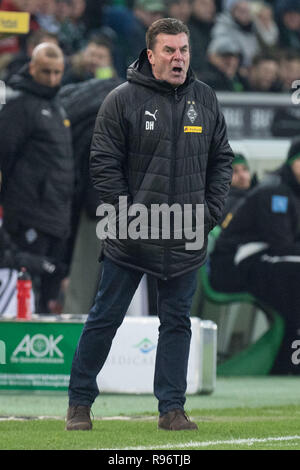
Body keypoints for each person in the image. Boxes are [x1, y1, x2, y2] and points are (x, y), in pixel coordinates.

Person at [66, 17, 233, 432]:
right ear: (151, 54)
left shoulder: (206, 99)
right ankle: (80, 404)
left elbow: (222, 160)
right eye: (170, 51)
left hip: (186, 232)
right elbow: (102, 165)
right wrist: (127, 216)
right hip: (132, 232)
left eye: (184, 50)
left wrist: (209, 213)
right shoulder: (121, 99)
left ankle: (172, 410)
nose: (179, 58)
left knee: (176, 323)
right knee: (105, 317)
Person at [209, 138, 300, 374]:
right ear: (292, 163)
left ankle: (287, 360)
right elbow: (281, 245)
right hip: (234, 266)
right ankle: (289, 362)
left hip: (261, 261)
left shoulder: (290, 191)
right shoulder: (275, 191)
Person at [0, 42, 74, 314]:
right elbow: (4, 156)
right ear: (32, 68)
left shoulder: (58, 106)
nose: (52, 78)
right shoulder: (19, 104)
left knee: (47, 298)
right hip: (28, 215)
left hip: (55, 217)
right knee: (25, 292)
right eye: (46, 72)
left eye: (57, 72)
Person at [220, 152, 252, 225]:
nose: (242, 175)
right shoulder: (223, 204)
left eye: (245, 169)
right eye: (235, 171)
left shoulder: (256, 196)